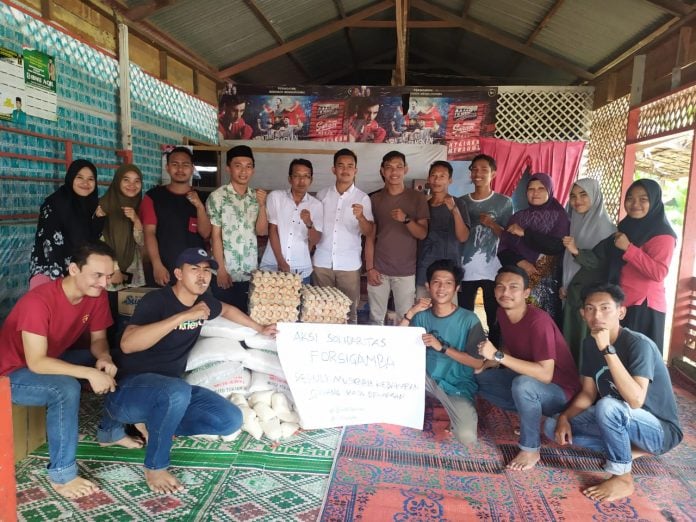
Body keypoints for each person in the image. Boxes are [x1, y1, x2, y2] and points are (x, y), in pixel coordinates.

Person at [97, 248, 277, 494]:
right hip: (129, 390)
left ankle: (147, 424)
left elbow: (226, 309)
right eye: (194, 269)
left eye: (206, 270)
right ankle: (155, 466)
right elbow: (128, 344)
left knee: (230, 420)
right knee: (177, 390)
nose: (202, 276)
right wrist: (184, 316)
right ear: (178, 274)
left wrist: (259, 328)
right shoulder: (157, 301)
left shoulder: (205, 303)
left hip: (169, 393)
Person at [1, 242, 141, 500]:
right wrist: (88, 373)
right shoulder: (38, 302)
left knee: (122, 359)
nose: (104, 283)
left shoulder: (96, 296)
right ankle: (62, 475)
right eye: (97, 275)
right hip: (11, 374)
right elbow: (37, 363)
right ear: (74, 269)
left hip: (52, 358)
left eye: (108, 276)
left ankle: (110, 432)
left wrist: (103, 358)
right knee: (65, 388)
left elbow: (98, 340)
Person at [545, 283, 682, 502]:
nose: (597, 315)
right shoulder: (589, 344)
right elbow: (588, 393)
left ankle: (622, 477)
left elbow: (635, 401)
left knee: (607, 406)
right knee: (552, 426)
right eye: (590, 308)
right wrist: (564, 417)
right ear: (582, 314)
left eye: (605, 308)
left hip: (659, 430)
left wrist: (607, 350)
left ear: (621, 312)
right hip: (620, 418)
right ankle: (628, 450)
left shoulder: (639, 344)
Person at [476, 265, 580, 471]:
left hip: (561, 392)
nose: (505, 292)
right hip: (531, 381)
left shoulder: (538, 321)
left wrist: (497, 355)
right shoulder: (502, 312)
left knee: (523, 385)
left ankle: (531, 448)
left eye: (513, 287)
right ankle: (529, 417)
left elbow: (545, 374)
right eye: (500, 286)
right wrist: (488, 363)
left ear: (526, 292)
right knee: (479, 379)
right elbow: (511, 346)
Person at [581, 179, 676, 352]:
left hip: (643, 306)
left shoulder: (663, 235)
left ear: (654, 201)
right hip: (621, 300)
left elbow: (659, 272)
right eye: (630, 198)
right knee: (617, 353)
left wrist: (629, 248)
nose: (635, 204)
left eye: (643, 199)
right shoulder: (626, 227)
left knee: (638, 355)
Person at [401, 259, 486, 443]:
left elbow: (477, 362)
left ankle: (464, 407)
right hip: (424, 379)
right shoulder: (421, 316)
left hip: (456, 384)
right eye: (436, 282)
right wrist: (411, 312)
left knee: (466, 436)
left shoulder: (469, 320)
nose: (441, 288)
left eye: (448, 283)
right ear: (428, 286)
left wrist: (442, 347)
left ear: (457, 288)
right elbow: (396, 344)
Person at [365, 151, 429, 324]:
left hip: (405, 270)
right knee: (375, 318)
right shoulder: (374, 199)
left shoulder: (417, 198)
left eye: (399, 167)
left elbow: (422, 234)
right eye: (389, 167)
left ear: (406, 169)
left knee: (405, 318)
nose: (394, 172)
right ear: (382, 171)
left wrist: (406, 219)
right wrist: (370, 268)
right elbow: (369, 237)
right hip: (378, 269)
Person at [498, 173, 570, 324]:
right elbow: (503, 248)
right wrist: (521, 262)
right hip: (518, 280)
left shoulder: (560, 217)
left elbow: (556, 246)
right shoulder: (518, 217)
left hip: (547, 282)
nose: (535, 192)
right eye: (531, 189)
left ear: (549, 191)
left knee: (542, 322)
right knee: (517, 321)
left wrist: (525, 233)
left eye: (541, 188)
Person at [313, 149, 374, 323]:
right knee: (321, 312)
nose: (345, 170)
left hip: (349, 265)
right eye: (341, 165)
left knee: (349, 313)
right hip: (322, 263)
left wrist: (361, 217)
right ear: (334, 169)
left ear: (356, 170)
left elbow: (369, 232)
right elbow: (314, 228)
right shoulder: (322, 195)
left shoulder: (362, 198)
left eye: (350, 166)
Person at [206, 145, 268, 312]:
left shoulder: (256, 197)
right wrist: (220, 270)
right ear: (228, 168)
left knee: (247, 317)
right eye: (238, 166)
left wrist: (262, 205)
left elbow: (261, 231)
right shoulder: (217, 197)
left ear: (253, 170)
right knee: (224, 317)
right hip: (226, 273)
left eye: (248, 166)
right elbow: (215, 236)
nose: (243, 171)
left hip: (250, 273)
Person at [459, 154, 513, 346]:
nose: (478, 173)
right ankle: (466, 350)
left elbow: (509, 237)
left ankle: (494, 353)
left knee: (494, 315)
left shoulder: (504, 202)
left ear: (493, 174)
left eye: (484, 170)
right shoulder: (461, 202)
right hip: (465, 268)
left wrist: (491, 224)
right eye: (474, 169)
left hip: (493, 269)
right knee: (465, 314)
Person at [560, 178, 615, 362]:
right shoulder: (575, 223)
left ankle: (587, 379)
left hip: (591, 299)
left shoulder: (607, 229)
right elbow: (567, 262)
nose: (577, 200)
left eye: (584, 195)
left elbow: (599, 264)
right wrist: (565, 284)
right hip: (572, 295)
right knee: (570, 343)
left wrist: (576, 251)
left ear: (595, 196)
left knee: (586, 346)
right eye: (573, 196)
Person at [140, 146, 211, 286]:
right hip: (164, 270)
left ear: (192, 168)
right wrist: (157, 265)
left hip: (195, 272)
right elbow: (149, 233)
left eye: (185, 165)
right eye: (175, 164)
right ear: (167, 167)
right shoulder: (153, 197)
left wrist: (199, 207)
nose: (180, 169)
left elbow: (206, 233)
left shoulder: (203, 198)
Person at [30, 159, 105, 288]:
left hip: (77, 273)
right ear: (71, 178)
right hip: (49, 273)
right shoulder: (55, 204)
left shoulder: (92, 206)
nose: (85, 183)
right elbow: (49, 244)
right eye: (79, 177)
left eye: (91, 179)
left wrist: (99, 220)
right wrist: (62, 279)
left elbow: (91, 243)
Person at [260, 159, 323, 282]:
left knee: (301, 296)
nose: (302, 181)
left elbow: (315, 240)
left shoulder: (316, 205)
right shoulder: (276, 197)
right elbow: (272, 230)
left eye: (306, 176)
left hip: (301, 268)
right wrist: (280, 261)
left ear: (311, 180)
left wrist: (309, 223)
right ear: (290, 179)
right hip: (272, 265)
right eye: (297, 176)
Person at [415, 161, 470, 301]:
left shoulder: (459, 204)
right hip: (425, 270)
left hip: (449, 270)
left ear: (450, 180)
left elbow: (463, 237)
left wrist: (454, 210)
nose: (437, 180)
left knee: (447, 311)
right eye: (433, 175)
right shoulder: (423, 206)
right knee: (423, 310)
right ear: (428, 178)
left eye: (442, 176)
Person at [98, 164, 145, 291]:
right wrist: (115, 268)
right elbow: (98, 241)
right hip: (107, 268)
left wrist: (136, 220)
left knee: (129, 302)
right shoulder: (102, 206)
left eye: (137, 181)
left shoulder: (141, 206)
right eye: (126, 180)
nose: (132, 185)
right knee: (108, 301)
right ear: (117, 181)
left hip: (132, 268)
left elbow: (142, 242)